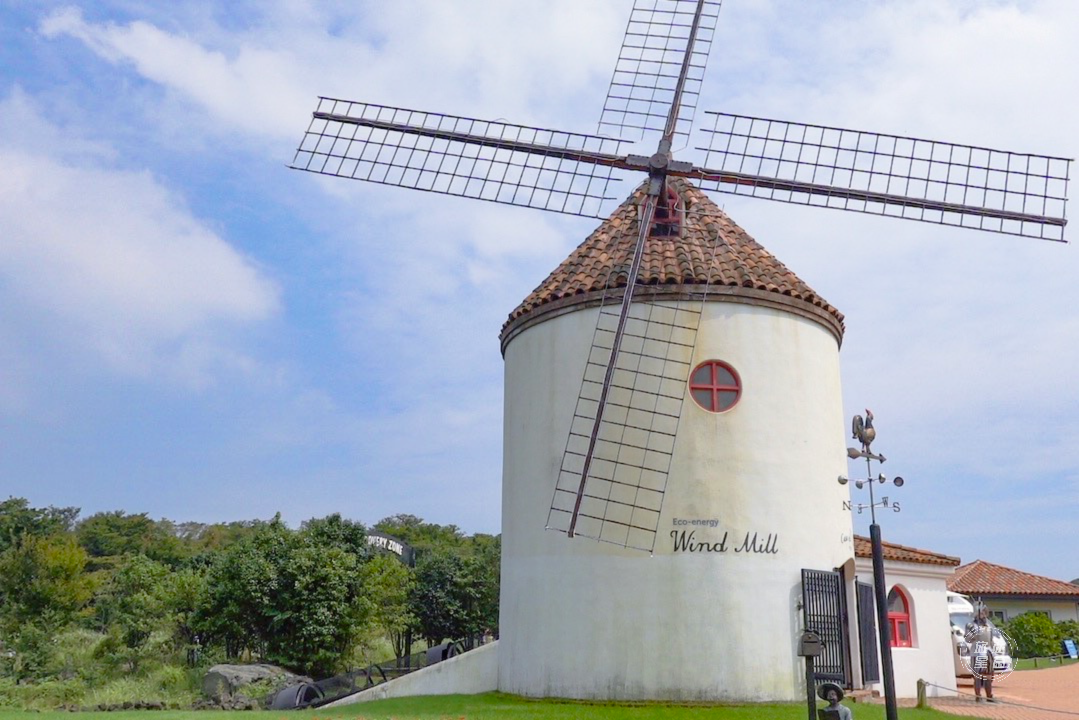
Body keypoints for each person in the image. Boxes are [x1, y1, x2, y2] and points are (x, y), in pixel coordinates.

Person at [965, 607, 997, 702]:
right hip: (977, 652)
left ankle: (989, 696)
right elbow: (967, 639)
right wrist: (974, 635)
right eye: (981, 613)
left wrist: (994, 651)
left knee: (989, 675)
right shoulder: (971, 625)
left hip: (988, 652)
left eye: (984, 613)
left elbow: (991, 639)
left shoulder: (989, 625)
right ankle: (978, 696)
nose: (983, 615)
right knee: (977, 676)